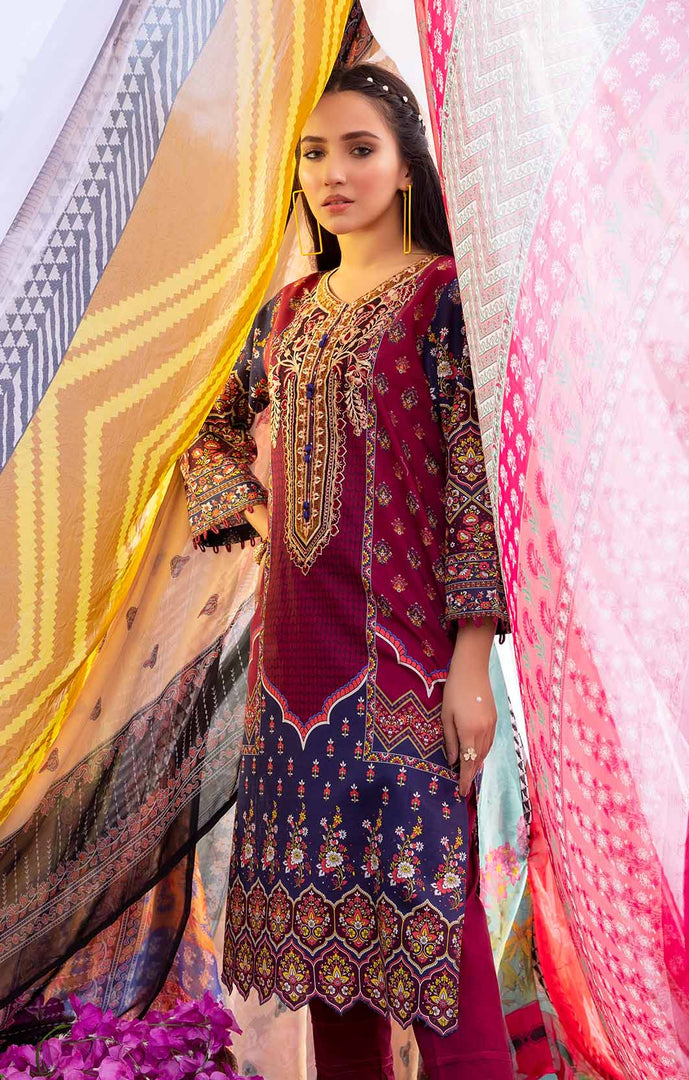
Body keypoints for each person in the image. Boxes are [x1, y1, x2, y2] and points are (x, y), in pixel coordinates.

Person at [181, 63, 513, 1080]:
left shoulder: (445, 299)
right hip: (293, 676)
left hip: (408, 666)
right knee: (330, 951)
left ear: (407, 166)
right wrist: (267, 511)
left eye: (360, 149)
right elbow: (211, 441)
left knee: (438, 926)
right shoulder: (286, 315)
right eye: (314, 153)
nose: (333, 173)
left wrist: (471, 664)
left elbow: (476, 480)